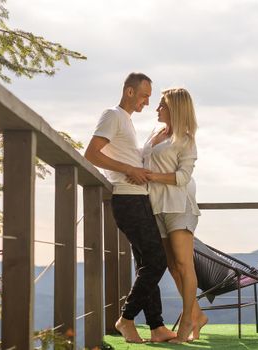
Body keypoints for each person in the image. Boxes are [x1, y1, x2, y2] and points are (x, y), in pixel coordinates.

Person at [84, 73, 176, 343]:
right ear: (129, 91)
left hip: (139, 198)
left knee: (147, 263)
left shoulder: (126, 122)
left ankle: (157, 327)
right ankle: (126, 319)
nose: (148, 102)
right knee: (157, 261)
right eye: (145, 95)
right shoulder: (112, 115)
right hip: (128, 200)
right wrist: (129, 169)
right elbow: (91, 154)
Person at [138, 87, 208, 342]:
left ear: (175, 109)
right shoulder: (155, 134)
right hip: (156, 206)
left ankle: (188, 319)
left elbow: (182, 177)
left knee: (183, 264)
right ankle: (198, 315)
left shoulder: (186, 139)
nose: (156, 109)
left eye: (162, 105)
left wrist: (150, 176)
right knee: (171, 265)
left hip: (179, 207)